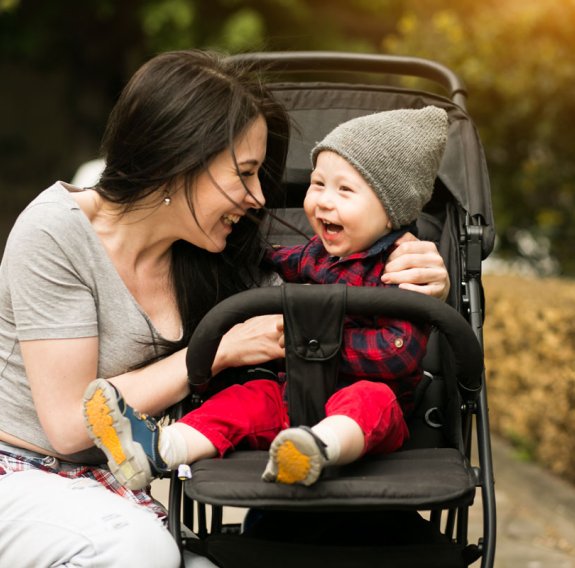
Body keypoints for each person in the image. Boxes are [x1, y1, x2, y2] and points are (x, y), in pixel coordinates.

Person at [0, 47, 449, 566]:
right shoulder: (58, 232)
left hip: (111, 486)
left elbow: (337, 288)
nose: (260, 196)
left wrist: (419, 279)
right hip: (24, 471)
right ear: (180, 157)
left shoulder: (215, 253)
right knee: (138, 551)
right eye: (245, 173)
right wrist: (215, 351)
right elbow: (71, 426)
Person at [81, 105, 449, 493]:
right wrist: (232, 246)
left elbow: (397, 353)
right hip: (294, 395)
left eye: (344, 190)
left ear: (392, 213)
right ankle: (160, 450)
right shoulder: (315, 254)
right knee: (248, 399)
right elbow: (273, 258)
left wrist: (310, 346)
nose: (323, 200)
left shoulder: (402, 270)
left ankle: (318, 448)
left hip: (367, 407)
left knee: (370, 400)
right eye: (317, 183)